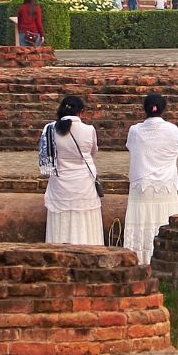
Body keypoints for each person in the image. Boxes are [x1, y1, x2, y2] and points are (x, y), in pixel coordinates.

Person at [122, 92, 178, 261]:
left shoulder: (135, 131)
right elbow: (176, 149)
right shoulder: (172, 129)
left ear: (144, 109)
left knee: (141, 222)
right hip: (165, 184)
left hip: (142, 185)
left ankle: (140, 258)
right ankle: (166, 259)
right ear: (163, 109)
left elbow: (130, 147)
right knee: (164, 219)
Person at [38, 95, 102, 246]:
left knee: (61, 224)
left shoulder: (50, 129)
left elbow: (46, 159)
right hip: (84, 185)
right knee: (85, 224)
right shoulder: (89, 130)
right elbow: (92, 153)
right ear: (81, 112)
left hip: (60, 184)